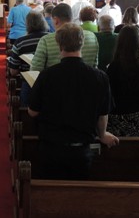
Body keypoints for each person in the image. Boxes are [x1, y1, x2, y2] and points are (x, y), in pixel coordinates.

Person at [28, 23, 119, 180]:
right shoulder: (99, 77)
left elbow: (33, 111)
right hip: (82, 150)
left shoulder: (47, 75)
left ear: (59, 44)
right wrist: (103, 134)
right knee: (78, 196)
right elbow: (103, 112)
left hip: (51, 148)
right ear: (82, 42)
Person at [32, 4, 99, 70]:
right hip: (87, 79)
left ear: (56, 20)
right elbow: (95, 65)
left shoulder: (45, 41)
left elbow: (35, 70)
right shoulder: (92, 37)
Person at [7, 11, 49, 105]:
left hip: (29, 84)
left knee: (28, 110)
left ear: (27, 24)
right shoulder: (52, 39)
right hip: (50, 82)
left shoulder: (20, 42)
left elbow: (13, 72)